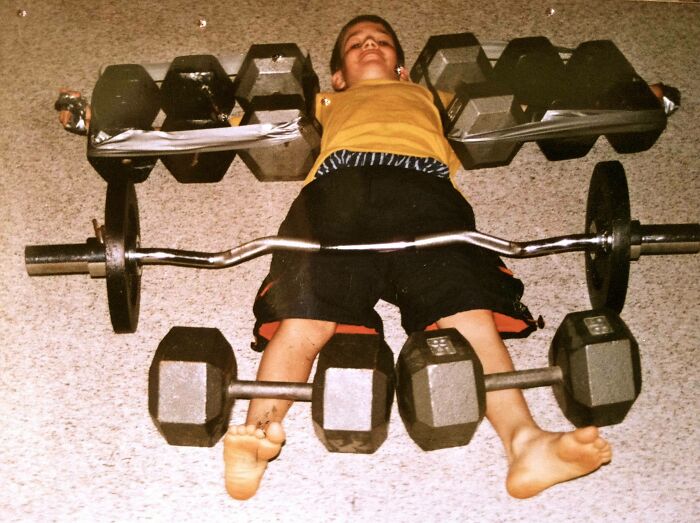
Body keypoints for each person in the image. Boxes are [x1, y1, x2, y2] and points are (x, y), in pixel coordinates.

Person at [222, 14, 613, 501]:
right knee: (304, 317)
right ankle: (256, 437)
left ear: (403, 69)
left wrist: (624, 94)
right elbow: (240, 125)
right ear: (338, 77)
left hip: (423, 191)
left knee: (465, 311)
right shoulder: (325, 102)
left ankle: (525, 442)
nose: (370, 47)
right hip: (338, 191)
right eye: (356, 45)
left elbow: (524, 104)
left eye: (382, 42)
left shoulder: (430, 97)